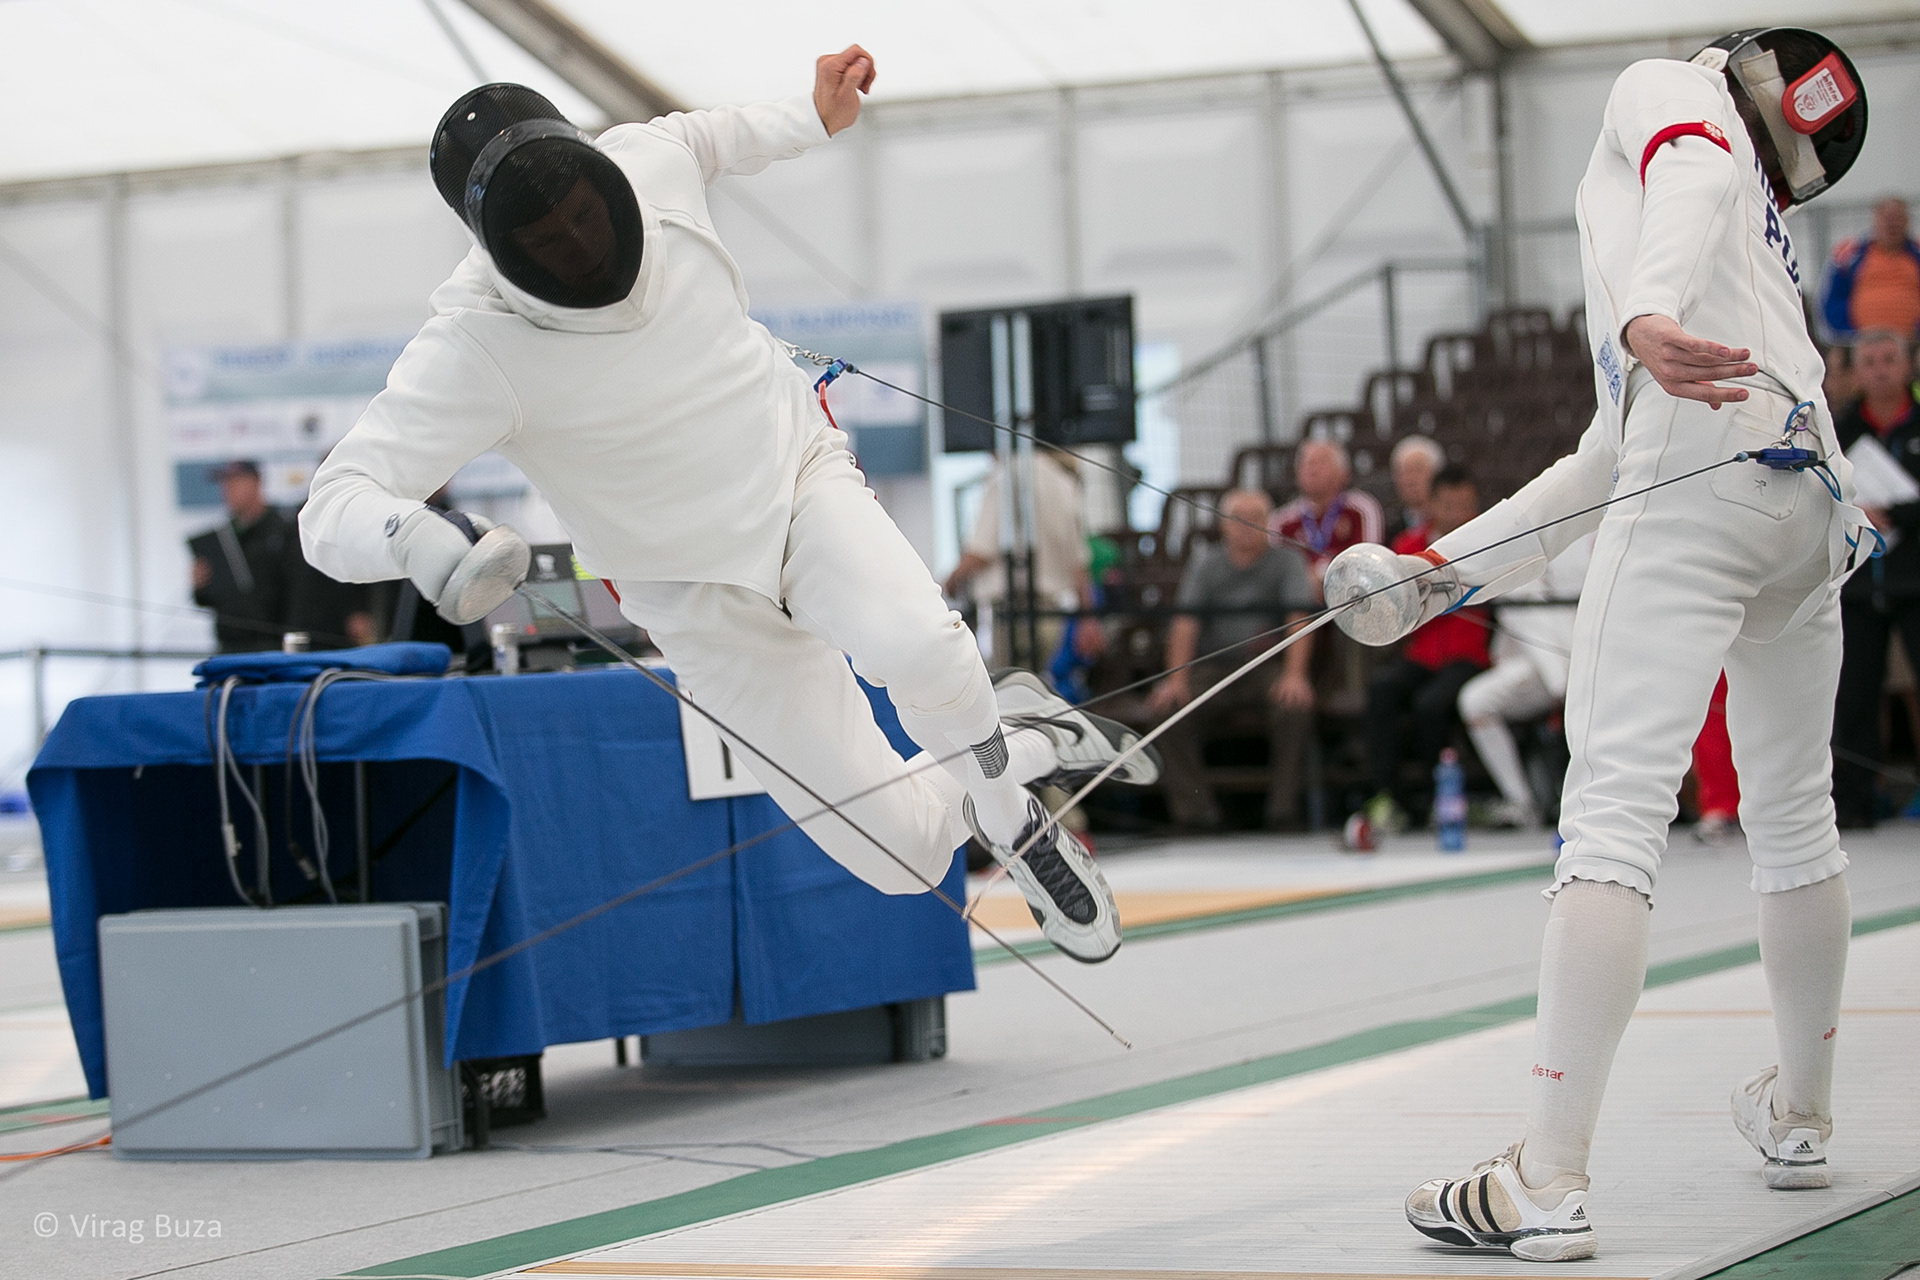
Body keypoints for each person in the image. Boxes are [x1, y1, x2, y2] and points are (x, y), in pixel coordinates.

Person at [299, 50, 1157, 965]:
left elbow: (709, 136)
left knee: (921, 649)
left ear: (597, 169)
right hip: (694, 598)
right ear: (496, 247)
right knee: (903, 859)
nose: (578, 242)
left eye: (584, 212)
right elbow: (332, 507)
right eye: (546, 240)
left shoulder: (647, 161)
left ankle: (1007, 813)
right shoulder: (473, 345)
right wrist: (419, 540)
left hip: (796, 484)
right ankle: (1020, 741)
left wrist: (812, 115)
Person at [1324, 29, 1870, 1259]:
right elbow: (1608, 459)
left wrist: (1645, 313)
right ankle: (1801, 1114)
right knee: (1798, 814)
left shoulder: (1669, 93)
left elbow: (1692, 168)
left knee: (1613, 817)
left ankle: (1547, 1178)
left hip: (1705, 479)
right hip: (1808, 496)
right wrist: (1436, 576)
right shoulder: (1760, 249)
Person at [1143, 490, 1316, 830]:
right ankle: (1196, 813)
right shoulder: (1205, 563)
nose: (1246, 526)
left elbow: (1299, 618)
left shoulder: (1287, 562)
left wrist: (1295, 675)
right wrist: (1176, 679)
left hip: (1266, 665)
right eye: (1238, 518)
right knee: (1166, 710)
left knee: (1294, 706)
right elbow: (1185, 623)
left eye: (1255, 518)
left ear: (1268, 523)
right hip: (1213, 667)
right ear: (1223, 525)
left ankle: (1282, 811)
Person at [1360, 466, 1488, 831]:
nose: (1456, 514)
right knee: (1383, 689)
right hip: (1422, 652)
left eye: (1464, 505)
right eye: (1448, 505)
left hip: (1467, 656)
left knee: (1430, 704)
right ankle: (1389, 797)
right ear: (1430, 504)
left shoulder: (1487, 543)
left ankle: (1438, 800)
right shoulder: (1407, 546)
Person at [1832, 329, 1920, 828]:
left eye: (1889, 359)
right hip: (1859, 584)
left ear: (1907, 365)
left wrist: (1900, 513)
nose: (1880, 369)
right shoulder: (1839, 430)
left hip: (1915, 580)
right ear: (1855, 372)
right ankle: (1857, 802)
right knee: (1854, 695)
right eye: (1869, 361)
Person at [1457, 536, 1591, 829]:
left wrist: (1565, 680)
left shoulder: (1586, 540)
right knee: (1475, 702)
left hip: (1583, 658)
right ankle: (1520, 801)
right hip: (1540, 665)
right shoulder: (1516, 551)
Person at [943, 450, 1099, 669]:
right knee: (1034, 680)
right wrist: (1088, 617)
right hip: (1051, 615)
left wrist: (949, 582)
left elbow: (982, 551)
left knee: (1010, 682)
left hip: (1013, 615)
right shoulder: (1063, 482)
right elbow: (1079, 562)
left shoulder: (1004, 477)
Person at [188, 460, 297, 653]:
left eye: (235, 482)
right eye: (224, 483)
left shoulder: (284, 531)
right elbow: (208, 599)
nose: (227, 489)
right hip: (229, 645)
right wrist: (200, 585)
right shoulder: (222, 538)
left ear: (256, 483)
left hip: (274, 644)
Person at [1268, 438, 1384, 596]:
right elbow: (1277, 571)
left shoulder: (1361, 509)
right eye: (1305, 463)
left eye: (1320, 463)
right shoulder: (1282, 521)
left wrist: (1325, 574)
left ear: (1343, 473)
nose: (1312, 470)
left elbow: (1370, 560)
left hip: (1352, 594)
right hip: (1301, 598)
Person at [1820, 197, 1920, 342]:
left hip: (1913, 343)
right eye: (1886, 218)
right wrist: (1849, 335)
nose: (1892, 224)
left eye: (1897, 218)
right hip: (1858, 342)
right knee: (1836, 355)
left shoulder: (1916, 254)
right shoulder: (1848, 256)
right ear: (1875, 220)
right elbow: (1832, 299)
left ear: (1907, 221)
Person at [1387, 434, 1446, 540]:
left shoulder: (1450, 523)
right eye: (1404, 472)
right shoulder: (1387, 528)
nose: (1411, 480)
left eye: (1418, 470)